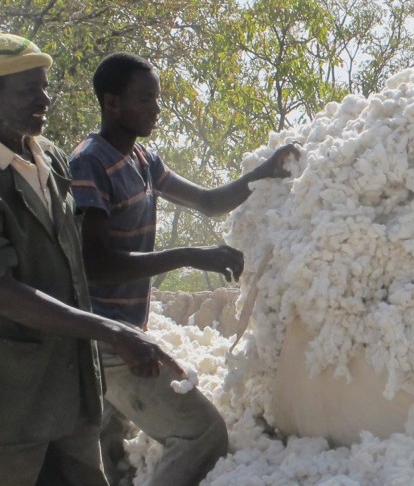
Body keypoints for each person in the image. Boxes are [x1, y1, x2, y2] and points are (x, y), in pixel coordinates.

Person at [69, 52, 300, 485]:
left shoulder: (142, 160)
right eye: (145, 99)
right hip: (104, 336)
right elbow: (95, 263)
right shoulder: (90, 163)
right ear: (111, 103)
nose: (156, 109)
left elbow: (209, 203)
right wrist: (190, 255)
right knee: (202, 434)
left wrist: (265, 172)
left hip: (125, 331)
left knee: (111, 452)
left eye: (157, 99)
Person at [0, 34, 178, 486]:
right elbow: (5, 293)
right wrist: (109, 329)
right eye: (28, 90)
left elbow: (73, 265)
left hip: (73, 387)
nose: (44, 99)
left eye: (45, 86)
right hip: (14, 399)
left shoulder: (52, 159)